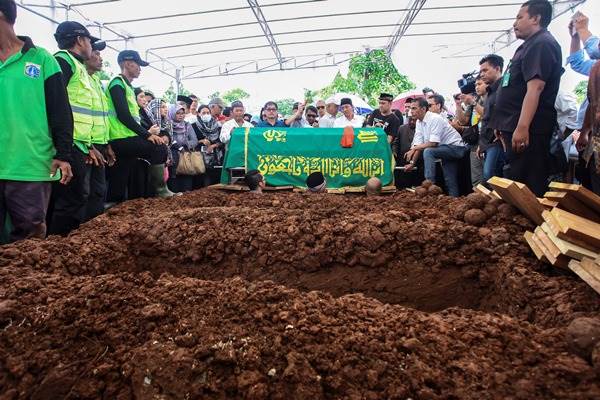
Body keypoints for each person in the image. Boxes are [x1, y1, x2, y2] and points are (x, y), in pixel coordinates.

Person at [0, 0, 72, 243]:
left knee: (29, 239)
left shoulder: (42, 59)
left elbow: (60, 111)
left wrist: (63, 153)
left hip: (30, 165)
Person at [488, 0, 563, 196]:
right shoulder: (529, 45)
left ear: (536, 18)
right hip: (513, 126)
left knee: (529, 186)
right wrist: (501, 124)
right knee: (518, 180)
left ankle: (531, 225)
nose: (514, 23)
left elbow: (536, 88)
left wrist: (522, 127)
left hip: (531, 129)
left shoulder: (542, 43)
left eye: (520, 17)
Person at [50, 21, 106, 235]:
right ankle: (60, 246)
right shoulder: (63, 62)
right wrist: (63, 149)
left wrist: (89, 144)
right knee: (71, 201)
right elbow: (56, 106)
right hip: (68, 144)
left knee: (79, 198)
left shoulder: (79, 67)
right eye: (90, 42)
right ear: (80, 40)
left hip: (79, 144)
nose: (93, 48)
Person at [105, 50, 175, 203]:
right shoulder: (117, 83)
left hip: (126, 138)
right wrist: (147, 135)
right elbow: (123, 116)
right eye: (138, 65)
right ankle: (160, 190)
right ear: (128, 63)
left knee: (120, 175)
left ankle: (111, 205)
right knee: (158, 147)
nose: (140, 69)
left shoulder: (128, 87)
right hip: (121, 138)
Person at [405, 98, 468, 197]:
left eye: (414, 108)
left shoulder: (435, 118)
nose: (410, 111)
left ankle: (429, 185)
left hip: (457, 148)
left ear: (423, 109)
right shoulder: (419, 122)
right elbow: (418, 145)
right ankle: (454, 201)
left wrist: (414, 149)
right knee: (449, 179)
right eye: (410, 108)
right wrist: (412, 163)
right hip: (445, 149)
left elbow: (433, 143)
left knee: (428, 151)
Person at [83, 41, 114, 221]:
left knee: (98, 191)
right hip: (85, 145)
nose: (100, 58)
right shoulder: (78, 77)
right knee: (83, 193)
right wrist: (87, 145)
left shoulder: (96, 80)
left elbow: (101, 116)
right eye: (96, 52)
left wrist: (107, 144)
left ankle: (94, 231)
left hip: (99, 144)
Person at [477, 54, 506, 186]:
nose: (482, 74)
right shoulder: (490, 92)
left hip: (498, 142)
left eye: (485, 70)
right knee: (489, 177)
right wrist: (482, 145)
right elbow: (487, 119)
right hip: (488, 142)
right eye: (480, 71)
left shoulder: (505, 88)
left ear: (498, 68)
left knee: (491, 176)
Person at [577, 61, 600, 194]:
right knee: (591, 188)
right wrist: (584, 132)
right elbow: (591, 105)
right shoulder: (596, 68)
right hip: (595, 141)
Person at [168, 104, 199, 193]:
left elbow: (194, 140)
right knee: (173, 186)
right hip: (172, 158)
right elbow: (167, 139)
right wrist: (177, 146)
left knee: (187, 187)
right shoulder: (167, 125)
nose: (181, 115)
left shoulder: (187, 125)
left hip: (185, 157)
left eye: (182, 113)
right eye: (178, 113)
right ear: (172, 113)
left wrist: (185, 144)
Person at [193, 104, 224, 186]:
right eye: (203, 113)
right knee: (202, 183)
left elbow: (222, 141)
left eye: (208, 113)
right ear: (198, 114)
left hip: (216, 159)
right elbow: (190, 141)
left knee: (215, 182)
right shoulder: (193, 126)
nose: (206, 115)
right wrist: (201, 141)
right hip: (199, 159)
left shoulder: (217, 126)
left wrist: (213, 146)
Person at [393, 116, 424, 188]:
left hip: (418, 162)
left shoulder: (422, 130)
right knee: (402, 185)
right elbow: (396, 143)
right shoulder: (402, 128)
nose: (412, 122)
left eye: (414, 120)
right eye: (411, 120)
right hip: (402, 161)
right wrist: (394, 152)